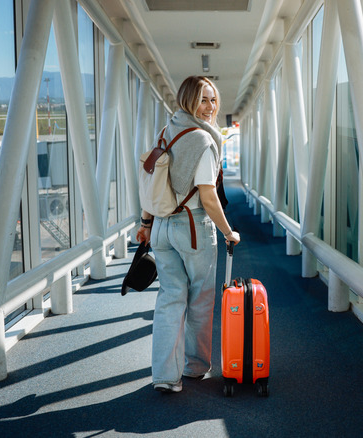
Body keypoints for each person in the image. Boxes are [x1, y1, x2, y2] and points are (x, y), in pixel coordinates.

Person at [136, 76, 240, 393]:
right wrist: (228, 232)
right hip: (193, 227)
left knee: (169, 299)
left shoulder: (166, 133)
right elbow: (208, 197)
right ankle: (195, 367)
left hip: (163, 229)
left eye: (212, 100)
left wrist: (146, 222)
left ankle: (166, 376)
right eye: (202, 100)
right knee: (200, 300)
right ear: (188, 101)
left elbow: (154, 184)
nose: (209, 107)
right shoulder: (204, 141)